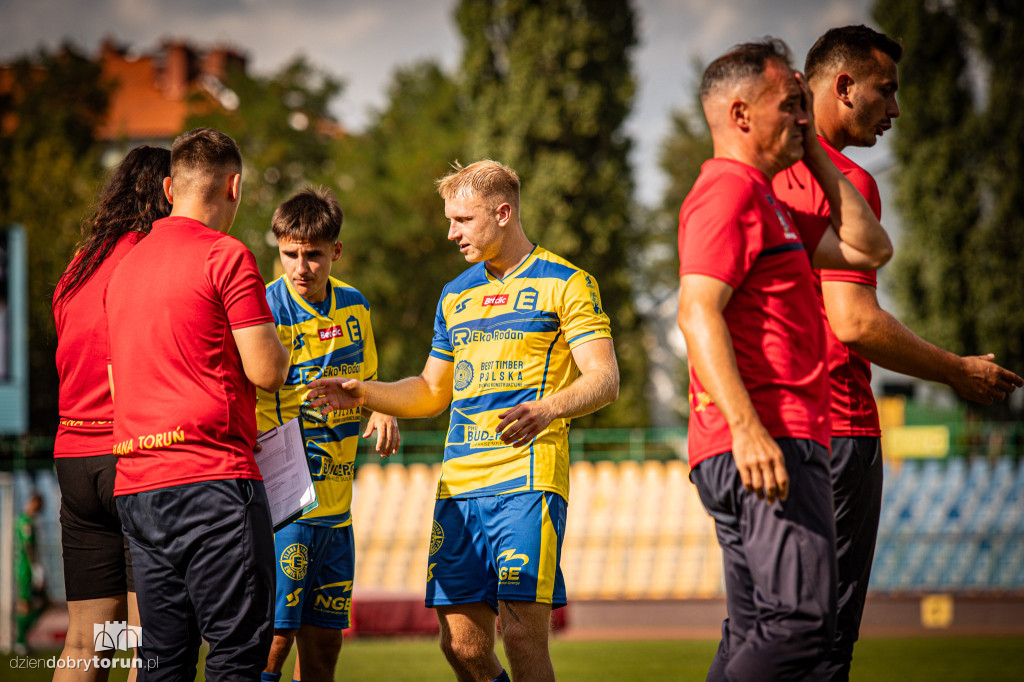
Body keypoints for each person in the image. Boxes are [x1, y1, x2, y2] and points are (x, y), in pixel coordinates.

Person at [771, 25, 1024, 680]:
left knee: (768, 628)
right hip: (837, 431)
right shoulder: (846, 182)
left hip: (772, 431)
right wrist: (957, 370)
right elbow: (853, 322)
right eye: (886, 90)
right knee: (823, 642)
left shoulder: (754, 178)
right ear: (843, 85)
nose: (896, 109)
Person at [306, 160, 619, 682]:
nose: (451, 233)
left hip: (528, 482)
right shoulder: (455, 293)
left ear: (503, 213)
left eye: (463, 220)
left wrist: (546, 409)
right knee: (463, 647)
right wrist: (364, 394)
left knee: (520, 637)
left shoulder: (566, 282)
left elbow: (604, 378)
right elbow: (430, 391)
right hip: (458, 488)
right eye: (449, 219)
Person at [676, 39, 894, 681]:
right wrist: (748, 431)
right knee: (803, 630)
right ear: (741, 114)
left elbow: (871, 250)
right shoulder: (728, 193)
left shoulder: (769, 200)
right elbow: (696, 313)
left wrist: (819, 162)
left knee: (760, 631)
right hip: (767, 439)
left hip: (769, 441)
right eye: (788, 106)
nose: (803, 119)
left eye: (805, 106)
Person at [105, 127, 289, 681]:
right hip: (212, 483)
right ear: (235, 186)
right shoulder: (226, 255)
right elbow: (267, 371)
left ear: (168, 187)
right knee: (236, 656)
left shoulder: (124, 267)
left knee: (162, 661)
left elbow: (118, 382)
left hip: (138, 486)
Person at [256, 186, 400, 682]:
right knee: (273, 644)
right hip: (286, 505)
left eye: (313, 255)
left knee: (323, 652)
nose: (300, 267)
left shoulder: (355, 306)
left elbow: (370, 384)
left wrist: (382, 410)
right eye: (289, 254)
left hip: (339, 512)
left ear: (335, 251)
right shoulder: (262, 309)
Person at [51, 144, 171, 681]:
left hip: (74, 459)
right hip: (132, 456)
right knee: (151, 642)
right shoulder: (153, 258)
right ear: (169, 193)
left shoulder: (79, 266)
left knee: (87, 640)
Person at [14, 493, 48, 656]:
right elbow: (28, 547)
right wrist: (35, 568)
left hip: (26, 567)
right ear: (33, 502)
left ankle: (22, 638)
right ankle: (20, 640)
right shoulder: (25, 522)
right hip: (25, 569)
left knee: (44, 602)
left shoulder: (25, 520)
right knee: (25, 604)